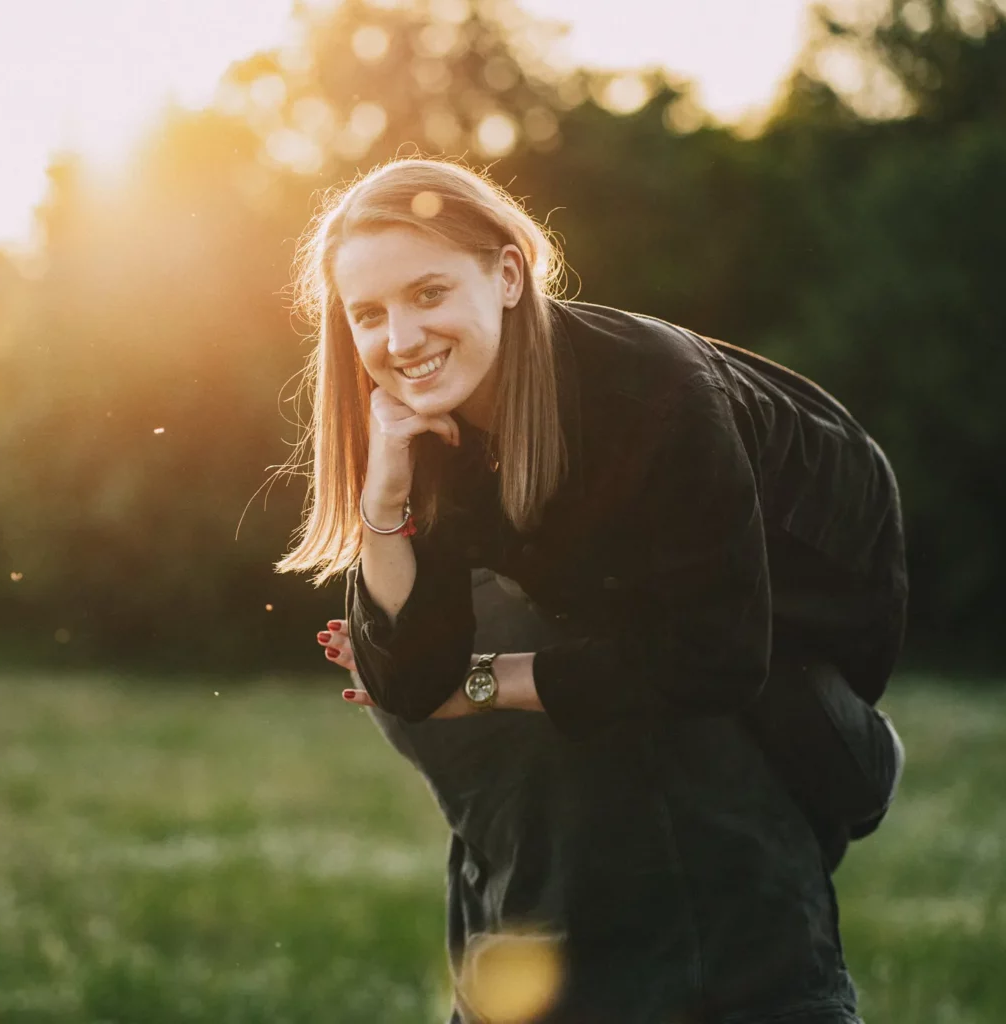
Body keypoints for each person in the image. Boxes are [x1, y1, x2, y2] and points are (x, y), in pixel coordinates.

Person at [275, 158, 907, 1024]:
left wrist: (494, 680)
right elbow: (414, 682)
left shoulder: (649, 388)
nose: (402, 338)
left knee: (706, 693)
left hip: (811, 573)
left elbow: (716, 660)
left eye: (428, 293)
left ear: (505, 275)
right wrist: (383, 498)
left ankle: (853, 753)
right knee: (596, 643)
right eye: (369, 314)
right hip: (611, 575)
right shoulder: (417, 417)